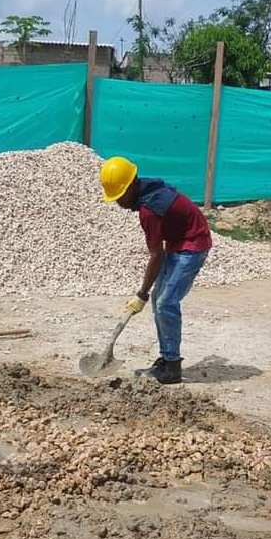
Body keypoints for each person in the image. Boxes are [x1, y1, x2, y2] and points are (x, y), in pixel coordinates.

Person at [100, 156, 212, 385]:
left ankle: (172, 367)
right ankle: (166, 357)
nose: (118, 203)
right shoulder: (148, 189)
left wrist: (141, 292)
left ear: (131, 186)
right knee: (159, 299)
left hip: (192, 244)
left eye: (120, 197)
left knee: (166, 302)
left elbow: (155, 254)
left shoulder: (149, 210)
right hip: (177, 241)